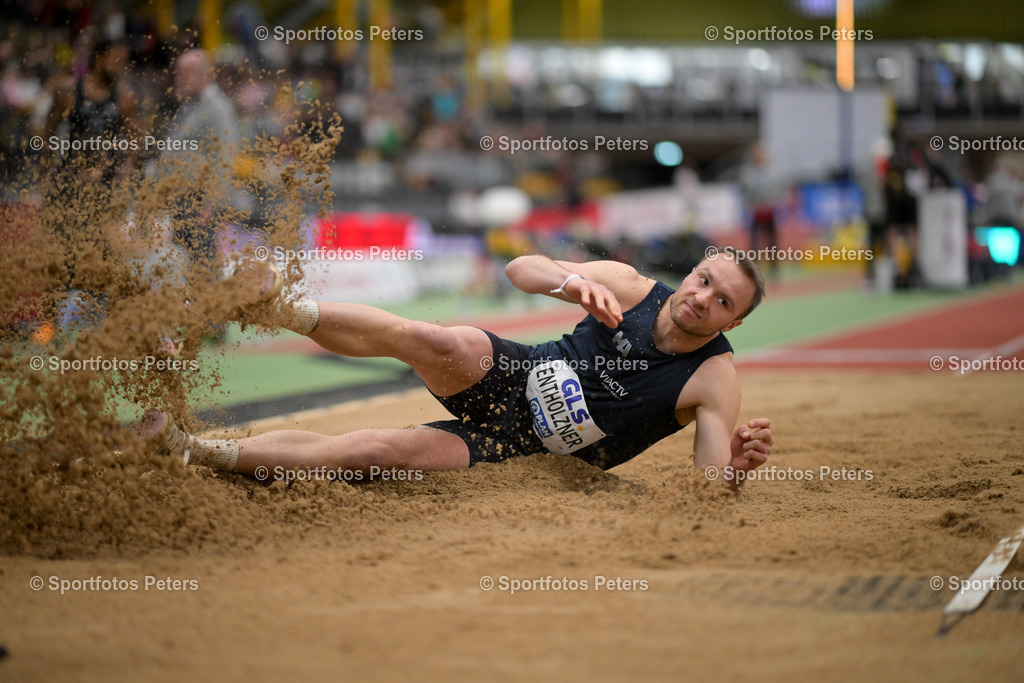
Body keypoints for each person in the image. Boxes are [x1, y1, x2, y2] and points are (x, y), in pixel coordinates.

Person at [141, 251, 774, 488]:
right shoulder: (631, 287)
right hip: (516, 374)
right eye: (704, 279)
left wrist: (734, 473)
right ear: (692, 272)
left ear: (735, 323)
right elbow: (520, 269)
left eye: (723, 302)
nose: (703, 298)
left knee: (374, 452)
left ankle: (196, 450)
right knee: (429, 338)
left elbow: (707, 486)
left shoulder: (714, 379)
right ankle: (276, 307)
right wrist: (570, 282)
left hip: (525, 453)